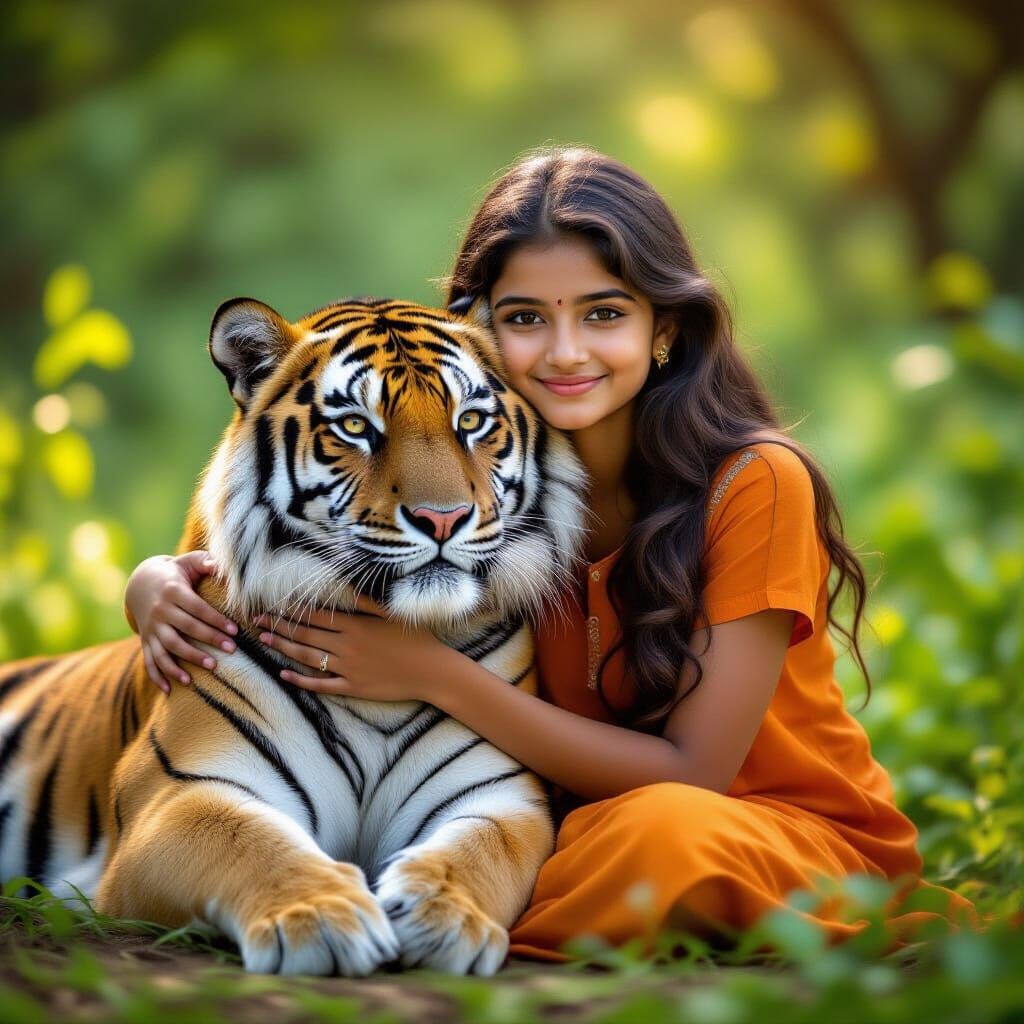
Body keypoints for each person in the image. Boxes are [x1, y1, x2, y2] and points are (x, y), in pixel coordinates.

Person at [123, 145, 979, 961]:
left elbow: (697, 770)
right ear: (479, 334)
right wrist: (157, 581)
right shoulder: (523, 494)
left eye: (603, 313)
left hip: (758, 825)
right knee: (560, 835)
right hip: (595, 817)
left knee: (650, 835)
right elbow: (269, 525)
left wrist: (433, 674)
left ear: (664, 330)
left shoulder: (755, 482)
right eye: (528, 319)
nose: (565, 352)